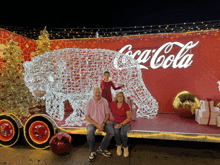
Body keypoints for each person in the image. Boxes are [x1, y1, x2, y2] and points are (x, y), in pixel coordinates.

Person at [85, 87, 115, 162]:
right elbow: (87, 117)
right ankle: (92, 151)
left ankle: (102, 149)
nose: (97, 94)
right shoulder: (89, 102)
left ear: (101, 93)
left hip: (103, 122)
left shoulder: (104, 101)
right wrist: (96, 125)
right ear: (93, 93)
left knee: (111, 131)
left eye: (99, 92)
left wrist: (103, 123)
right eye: (96, 92)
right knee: (89, 132)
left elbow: (107, 115)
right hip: (92, 122)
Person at [109, 92, 131, 157]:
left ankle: (125, 147)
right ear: (116, 97)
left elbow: (128, 117)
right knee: (116, 131)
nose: (120, 97)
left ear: (123, 97)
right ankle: (118, 145)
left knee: (123, 133)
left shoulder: (126, 105)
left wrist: (121, 124)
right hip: (116, 121)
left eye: (121, 96)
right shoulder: (113, 104)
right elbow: (104, 106)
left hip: (125, 122)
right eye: (119, 96)